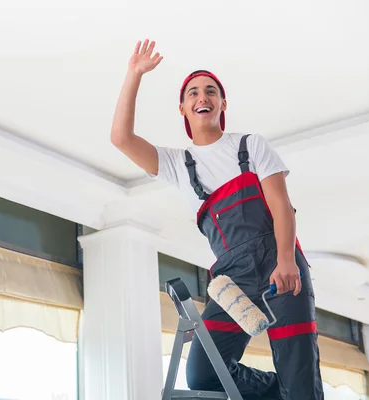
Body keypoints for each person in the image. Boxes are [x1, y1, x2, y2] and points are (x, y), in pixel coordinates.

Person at [110, 39, 324, 399]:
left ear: (222, 104)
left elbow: (281, 207)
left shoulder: (251, 145)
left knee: (298, 368)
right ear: (183, 108)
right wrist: (134, 75)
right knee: (203, 375)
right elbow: (121, 138)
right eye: (193, 93)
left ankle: (296, 392)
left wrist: (287, 260)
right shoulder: (180, 166)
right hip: (233, 278)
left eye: (211, 91)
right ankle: (282, 393)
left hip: (280, 262)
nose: (202, 97)